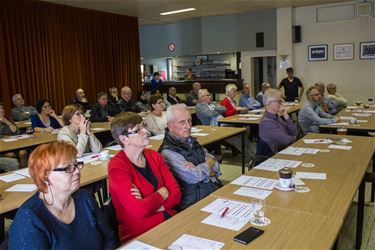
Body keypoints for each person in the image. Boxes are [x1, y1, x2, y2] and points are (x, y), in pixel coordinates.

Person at [8, 141, 115, 249]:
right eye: (68, 168)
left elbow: (109, 238)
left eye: (76, 165)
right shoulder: (29, 220)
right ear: (45, 176)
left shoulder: (84, 197)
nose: (77, 171)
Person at [108, 112, 181, 243]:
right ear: (124, 139)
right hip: (140, 234)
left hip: (170, 221)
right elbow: (138, 209)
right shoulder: (117, 166)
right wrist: (162, 193)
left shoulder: (154, 156)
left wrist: (151, 204)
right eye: (138, 130)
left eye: (143, 127)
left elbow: (176, 194)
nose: (145, 131)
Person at [159, 104, 221, 211]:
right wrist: (209, 164)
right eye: (182, 122)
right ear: (170, 126)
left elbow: (216, 168)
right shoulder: (168, 152)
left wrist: (206, 167)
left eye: (189, 121)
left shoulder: (191, 141)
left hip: (211, 191)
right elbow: (194, 176)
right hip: (194, 203)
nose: (188, 126)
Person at [259, 89, 297, 154]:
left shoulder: (277, 117)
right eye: (279, 101)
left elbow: (294, 132)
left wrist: (285, 115)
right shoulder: (267, 122)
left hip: (283, 151)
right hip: (274, 157)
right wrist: (293, 138)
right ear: (269, 103)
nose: (282, 103)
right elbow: (286, 141)